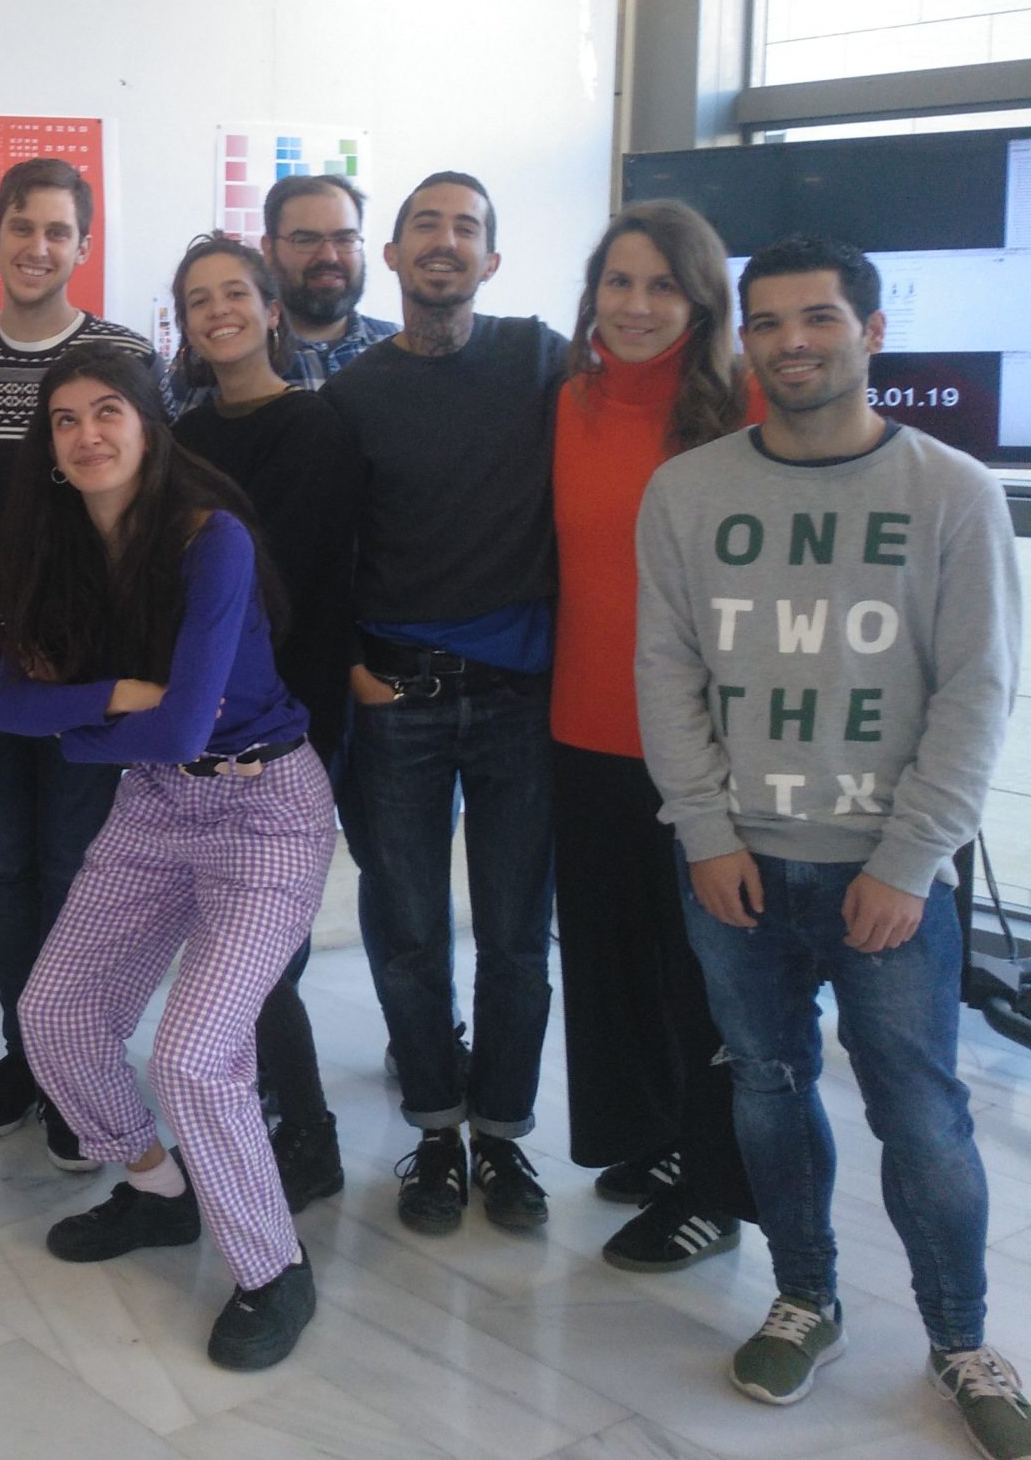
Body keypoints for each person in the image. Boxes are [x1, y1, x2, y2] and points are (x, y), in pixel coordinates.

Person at [638, 234, 1031, 1452]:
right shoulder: (686, 491)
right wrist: (705, 831)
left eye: (816, 317)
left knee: (920, 1112)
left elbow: (977, 693)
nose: (790, 342)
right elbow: (667, 671)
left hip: (885, 873)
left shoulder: (953, 491)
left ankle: (961, 1340)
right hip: (737, 863)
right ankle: (804, 1297)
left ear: (871, 331)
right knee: (765, 1084)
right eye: (765, 321)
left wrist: (906, 862)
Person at [0, 347, 335, 1373]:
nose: (87, 434)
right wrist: (111, 697)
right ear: (49, 446)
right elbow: (8, 703)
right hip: (153, 806)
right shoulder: (57, 545)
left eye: (108, 411)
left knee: (193, 1055)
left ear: (149, 425)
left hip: (265, 811)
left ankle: (273, 1268)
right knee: (53, 1014)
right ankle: (157, 1188)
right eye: (65, 420)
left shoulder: (209, 538)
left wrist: (80, 732)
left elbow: (186, 724)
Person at [322, 171, 567, 1235]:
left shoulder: (538, 357)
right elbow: (319, 551)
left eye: (467, 226)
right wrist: (347, 668)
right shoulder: (351, 397)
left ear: (491, 259)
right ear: (391, 254)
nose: (445, 240)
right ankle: (433, 1130)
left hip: (519, 701)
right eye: (425, 223)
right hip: (397, 701)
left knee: (515, 937)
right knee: (412, 933)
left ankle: (503, 1137)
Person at [0, 157, 162, 1167]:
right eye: (21, 226)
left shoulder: (122, 356)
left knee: (79, 869)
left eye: (58, 231)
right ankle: (24, 1057)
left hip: (83, 675)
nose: (38, 247)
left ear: (82, 244)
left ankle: (83, 1065)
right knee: (9, 865)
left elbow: (146, 514)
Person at [551, 203, 760, 1273]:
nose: (635, 306)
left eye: (662, 286)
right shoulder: (569, 401)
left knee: (707, 979)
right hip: (583, 731)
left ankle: (717, 1190)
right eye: (618, 283)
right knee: (615, 966)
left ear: (702, 301)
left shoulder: (746, 407)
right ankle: (658, 1141)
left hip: (707, 748)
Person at [168, 235, 360, 1212]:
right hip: (202, 718)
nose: (219, 311)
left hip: (283, 718)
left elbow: (290, 585)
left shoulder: (313, 426)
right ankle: (253, 1106)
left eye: (235, 293)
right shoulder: (187, 433)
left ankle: (307, 1131)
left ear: (272, 309)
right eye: (198, 300)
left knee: (256, 939)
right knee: (227, 932)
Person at [173, 173, 397, 415]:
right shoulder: (217, 358)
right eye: (306, 240)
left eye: (345, 239)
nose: (329, 256)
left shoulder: (399, 349)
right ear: (269, 248)